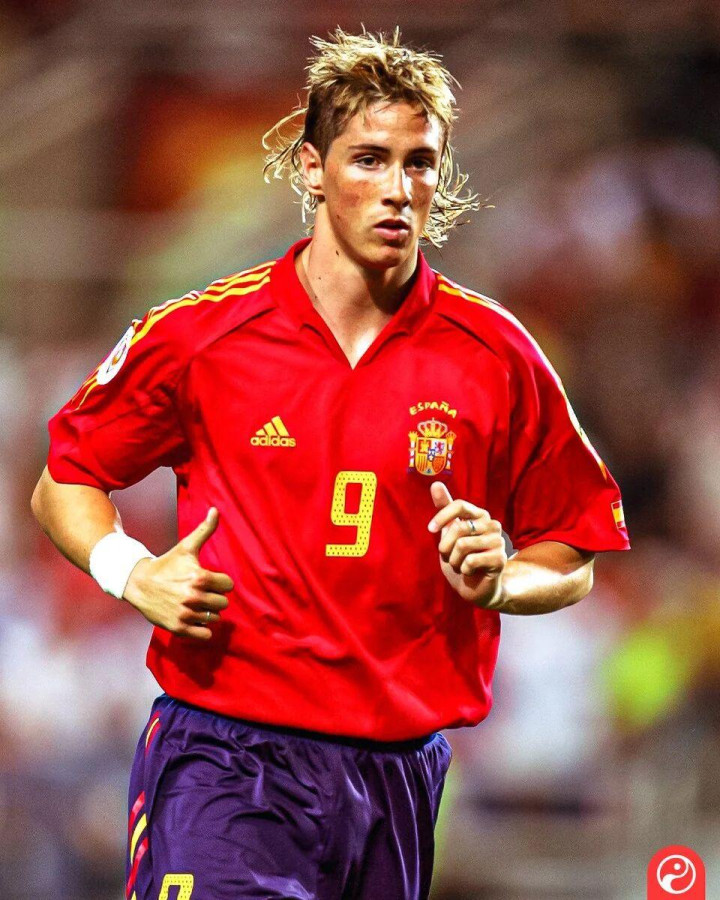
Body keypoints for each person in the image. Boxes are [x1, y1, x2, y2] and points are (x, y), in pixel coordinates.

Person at [31, 27, 630, 900]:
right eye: (370, 160)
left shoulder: (497, 356)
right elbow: (65, 481)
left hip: (398, 776)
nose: (398, 189)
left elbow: (572, 552)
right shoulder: (203, 335)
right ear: (312, 168)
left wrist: (505, 579)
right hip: (228, 756)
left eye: (420, 163)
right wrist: (132, 573)